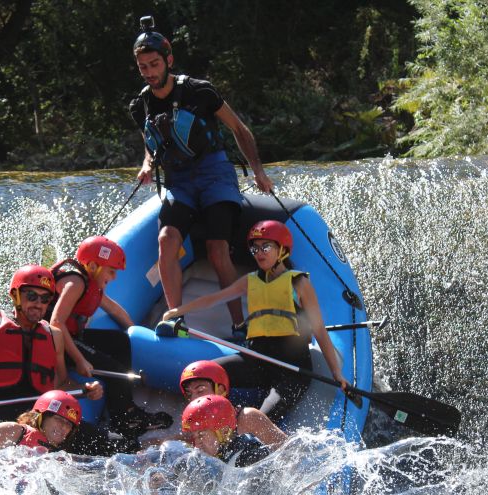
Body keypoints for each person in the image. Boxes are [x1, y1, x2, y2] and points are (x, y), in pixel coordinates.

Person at [129, 15, 273, 335]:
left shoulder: (200, 91)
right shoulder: (140, 105)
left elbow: (239, 129)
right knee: (166, 240)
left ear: (169, 60)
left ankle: (239, 323)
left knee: (216, 248)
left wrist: (259, 172)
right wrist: (147, 163)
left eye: (154, 64)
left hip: (214, 174)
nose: (150, 73)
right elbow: (150, 143)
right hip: (179, 181)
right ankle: (176, 319)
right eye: (143, 67)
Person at [0, 265, 141, 457]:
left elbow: (61, 383)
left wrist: (85, 389)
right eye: (31, 296)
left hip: (44, 422)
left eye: (45, 299)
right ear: (15, 295)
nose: (38, 304)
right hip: (0, 425)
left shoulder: (54, 335)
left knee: (122, 447)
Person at [162, 220, 350, 424]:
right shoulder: (251, 280)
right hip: (256, 360)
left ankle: (240, 436)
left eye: (266, 247)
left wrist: (336, 372)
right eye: (255, 248)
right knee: (200, 377)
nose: (259, 253)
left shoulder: (299, 283)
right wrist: (179, 310)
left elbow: (319, 330)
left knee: (259, 420)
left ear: (282, 250)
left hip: (291, 370)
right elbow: (215, 298)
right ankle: (207, 422)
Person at [47, 235, 172, 438]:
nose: (114, 277)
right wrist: (80, 361)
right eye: (111, 271)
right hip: (56, 343)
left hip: (72, 336)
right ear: (94, 266)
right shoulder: (76, 284)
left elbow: (115, 310)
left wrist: (135, 332)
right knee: (114, 369)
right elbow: (56, 323)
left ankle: (124, 407)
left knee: (120, 341)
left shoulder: (92, 284)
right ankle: (125, 419)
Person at [178, 360, 287, 447]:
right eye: (189, 393)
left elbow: (287, 450)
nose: (193, 398)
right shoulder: (194, 425)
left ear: (220, 390)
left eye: (200, 389)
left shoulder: (248, 417)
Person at [0, 389, 82, 453]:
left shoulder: (59, 456)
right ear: (41, 416)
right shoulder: (16, 431)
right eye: (59, 419)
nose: (64, 427)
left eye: (69, 424)